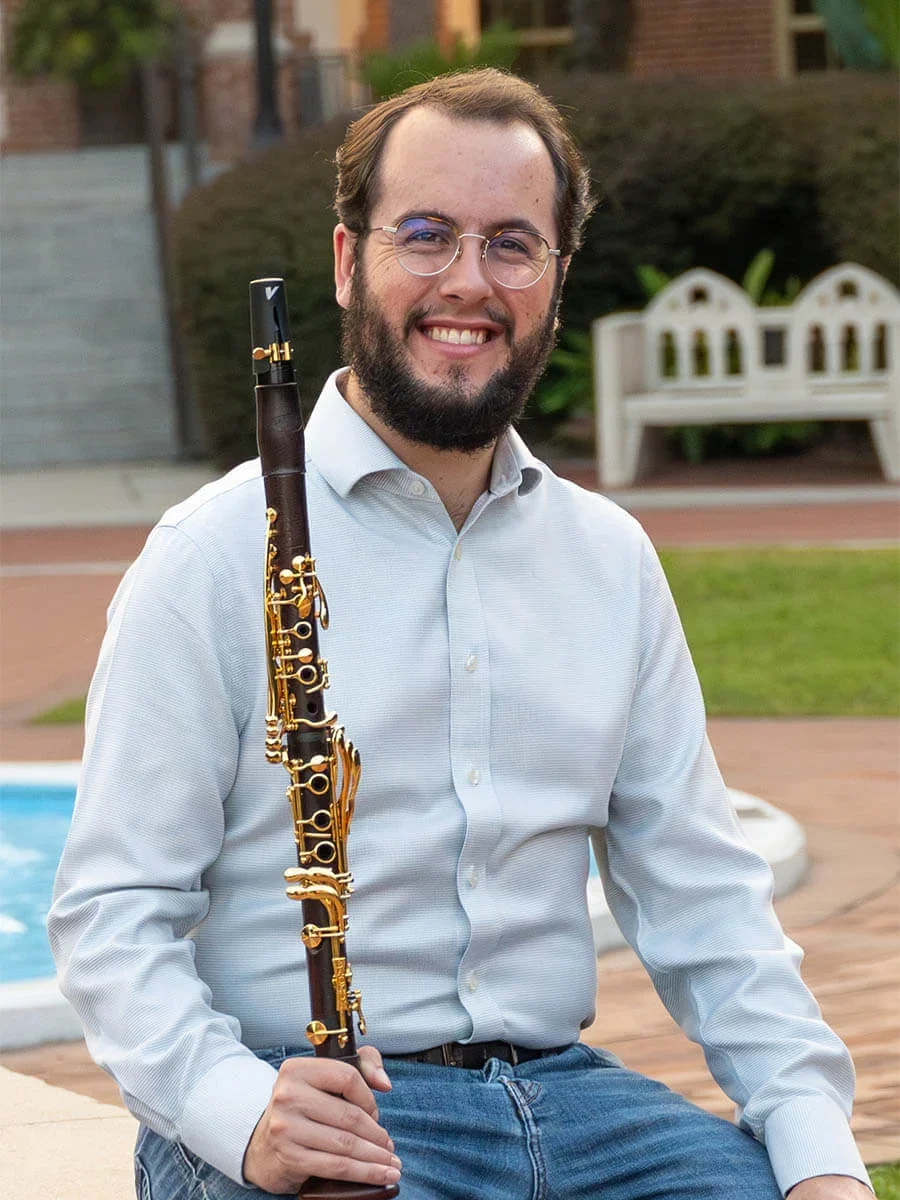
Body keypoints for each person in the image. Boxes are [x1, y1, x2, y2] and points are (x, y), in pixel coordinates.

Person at [50, 69, 872, 1200]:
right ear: (350, 262)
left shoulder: (608, 560)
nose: (468, 283)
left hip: (571, 1103)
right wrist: (238, 1115)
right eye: (426, 235)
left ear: (556, 277)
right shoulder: (207, 555)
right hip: (317, 1096)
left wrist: (816, 1157)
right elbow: (110, 915)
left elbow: (702, 894)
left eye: (512, 245)